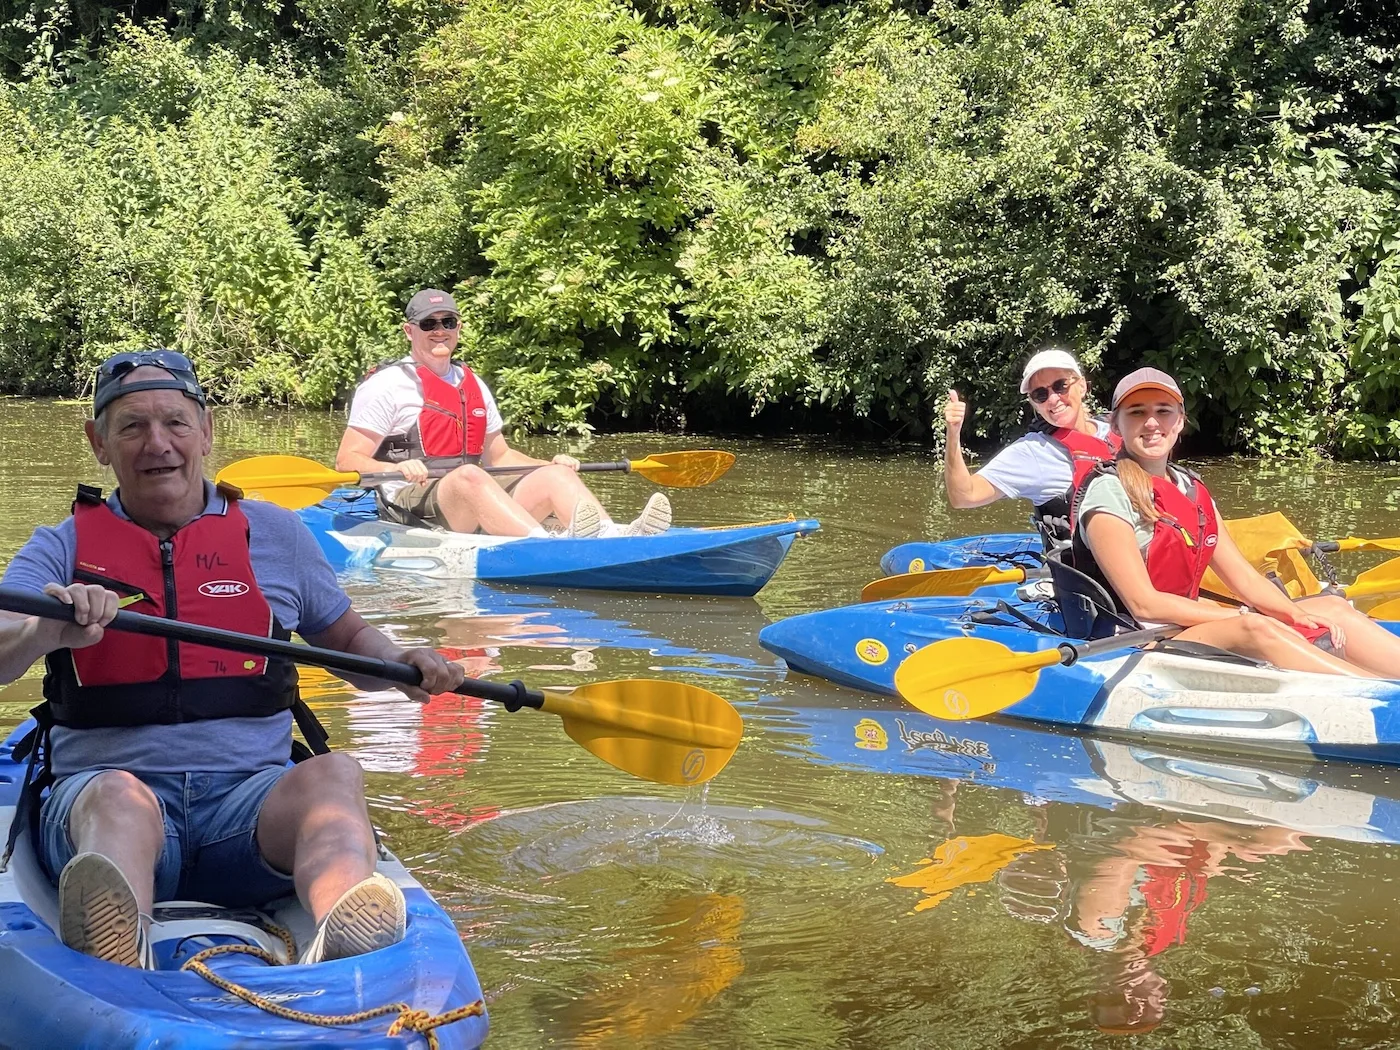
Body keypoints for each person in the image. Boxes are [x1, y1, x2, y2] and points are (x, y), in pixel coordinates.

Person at [0, 350, 468, 968]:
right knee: (118, 798)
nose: (158, 443)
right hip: (112, 807)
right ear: (99, 444)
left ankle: (349, 941)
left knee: (334, 775)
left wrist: (400, 660)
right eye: (132, 427)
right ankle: (119, 953)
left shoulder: (277, 534)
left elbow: (350, 641)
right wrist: (44, 630)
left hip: (248, 813)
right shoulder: (60, 548)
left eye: (175, 422)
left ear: (206, 431)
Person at [1071, 367, 1400, 676]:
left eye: (1163, 410)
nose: (1152, 422)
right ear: (1116, 425)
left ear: (1180, 420)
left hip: (1182, 625)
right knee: (1256, 626)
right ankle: (1379, 696)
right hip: (1134, 637)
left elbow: (1244, 578)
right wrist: (1244, 614)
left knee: (1333, 607)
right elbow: (1144, 604)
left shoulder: (1190, 488)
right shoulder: (1109, 492)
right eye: (1137, 412)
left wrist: (1295, 614)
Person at [335, 288, 670, 538]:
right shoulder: (387, 384)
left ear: (458, 327)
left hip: (468, 493)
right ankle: (544, 547)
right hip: (408, 502)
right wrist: (394, 467)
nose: (439, 330)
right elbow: (347, 460)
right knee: (469, 475)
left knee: (556, 474)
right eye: (428, 323)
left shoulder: (472, 382)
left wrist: (549, 465)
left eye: (447, 322)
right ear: (410, 330)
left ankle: (613, 538)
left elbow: (500, 456)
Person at [943, 347, 1121, 539]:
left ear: (1082, 386)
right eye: (1040, 394)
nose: (1053, 399)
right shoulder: (1032, 452)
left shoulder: (1119, 429)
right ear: (1034, 404)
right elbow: (964, 496)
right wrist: (953, 433)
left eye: (1061, 386)